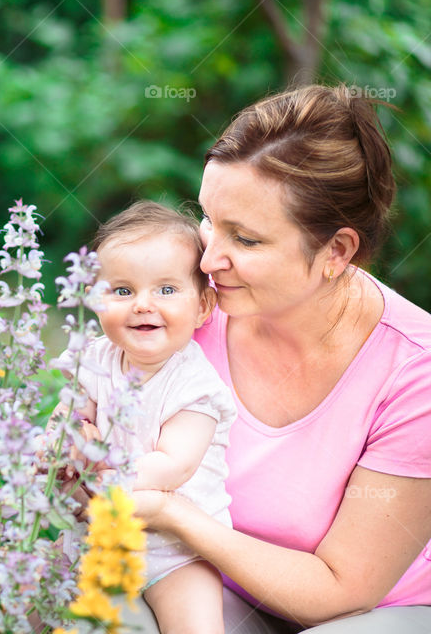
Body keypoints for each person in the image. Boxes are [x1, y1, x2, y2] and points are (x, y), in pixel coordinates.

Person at [118, 84, 431, 633]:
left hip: (370, 612)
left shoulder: (415, 372)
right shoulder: (189, 308)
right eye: (209, 219)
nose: (209, 259)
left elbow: (341, 590)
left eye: (246, 239)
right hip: (214, 580)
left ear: (336, 251)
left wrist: (173, 513)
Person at [52, 200, 237, 634]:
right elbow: (69, 417)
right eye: (122, 290)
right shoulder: (94, 359)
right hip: (94, 536)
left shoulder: (195, 386)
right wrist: (60, 443)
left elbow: (173, 465)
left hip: (176, 553)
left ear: (204, 306)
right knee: (36, 605)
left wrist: (97, 471)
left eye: (166, 290)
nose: (142, 304)